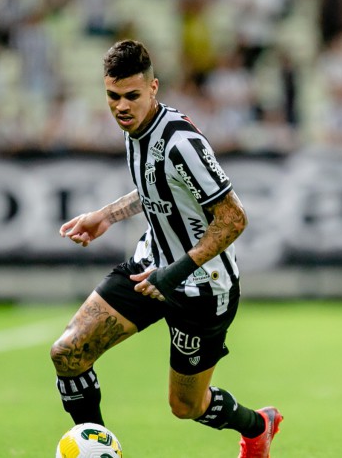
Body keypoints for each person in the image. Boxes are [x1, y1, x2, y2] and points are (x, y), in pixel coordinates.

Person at [50, 39, 282, 457]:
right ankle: (100, 450)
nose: (121, 106)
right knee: (68, 353)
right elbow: (156, 188)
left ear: (153, 89)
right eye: (113, 96)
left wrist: (172, 274)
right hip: (148, 268)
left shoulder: (181, 142)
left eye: (132, 96)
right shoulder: (135, 131)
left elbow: (233, 218)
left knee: (186, 405)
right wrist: (106, 215)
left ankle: (257, 425)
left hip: (200, 289)